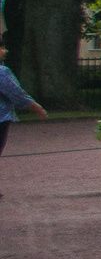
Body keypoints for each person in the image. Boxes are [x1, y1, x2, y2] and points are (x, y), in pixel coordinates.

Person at [0, 42, 47, 194]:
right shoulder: (2, 72)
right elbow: (15, 92)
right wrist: (34, 106)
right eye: (1, 48)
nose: (5, 51)